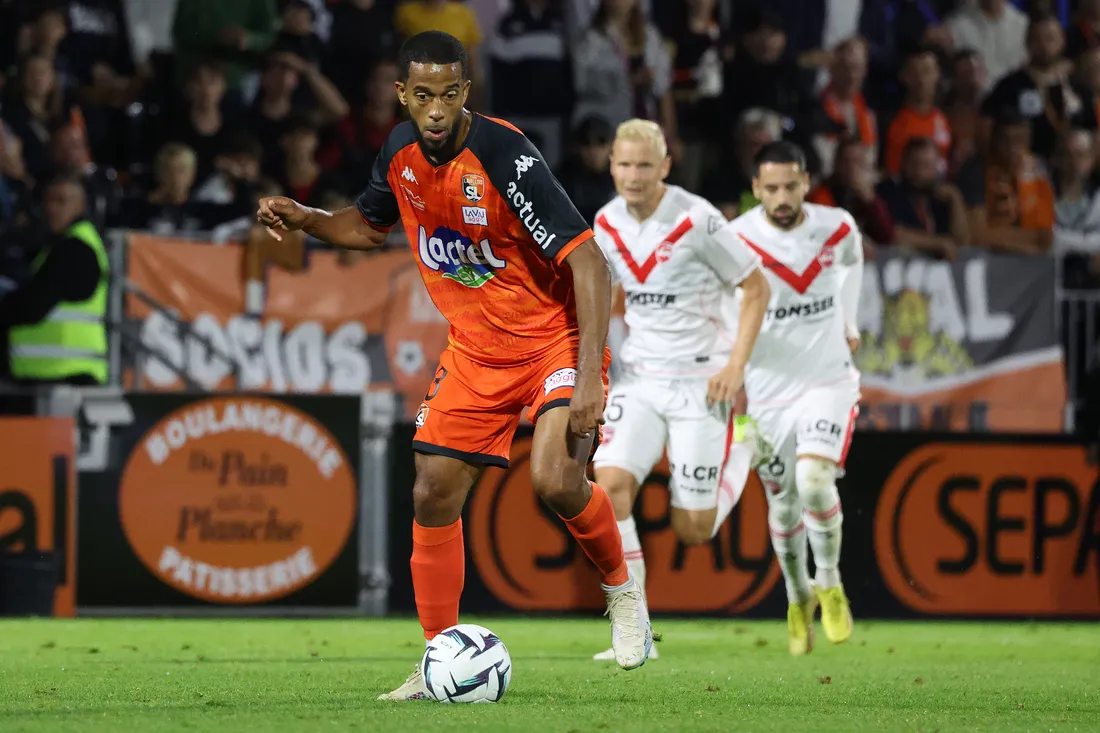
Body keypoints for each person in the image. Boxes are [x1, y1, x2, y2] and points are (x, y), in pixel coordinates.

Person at [256, 30, 652, 698]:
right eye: (423, 96)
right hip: (475, 351)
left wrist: (588, 374)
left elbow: (589, 262)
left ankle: (623, 590)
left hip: (552, 340)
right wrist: (307, 218)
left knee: (556, 478)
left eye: (448, 94)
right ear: (401, 94)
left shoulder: (505, 156)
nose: (436, 110)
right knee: (432, 491)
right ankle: (437, 656)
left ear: (465, 91)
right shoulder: (399, 153)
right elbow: (367, 227)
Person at [587, 118, 770, 662]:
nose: (633, 176)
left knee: (693, 529)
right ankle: (636, 631)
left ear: (666, 166)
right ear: (611, 166)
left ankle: (746, 446)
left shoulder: (698, 219)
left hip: (701, 382)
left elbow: (756, 288)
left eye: (645, 165)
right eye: (624, 164)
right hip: (641, 379)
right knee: (609, 487)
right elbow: (603, 297)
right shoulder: (606, 221)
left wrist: (735, 366)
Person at [725, 141, 863, 656]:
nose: (782, 198)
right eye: (772, 188)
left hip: (828, 380)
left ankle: (829, 581)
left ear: (806, 182)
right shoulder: (736, 240)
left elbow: (852, 261)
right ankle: (797, 594)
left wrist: (849, 317)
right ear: (756, 189)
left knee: (814, 481)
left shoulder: (837, 226)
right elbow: (723, 312)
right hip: (766, 395)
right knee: (783, 506)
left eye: (791, 186)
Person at [0, 174, 109, 386]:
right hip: (57, 375)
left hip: (64, 377)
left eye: (61, 201)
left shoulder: (75, 248)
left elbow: (31, 306)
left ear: (80, 206)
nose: (51, 209)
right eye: (48, 201)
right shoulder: (61, 245)